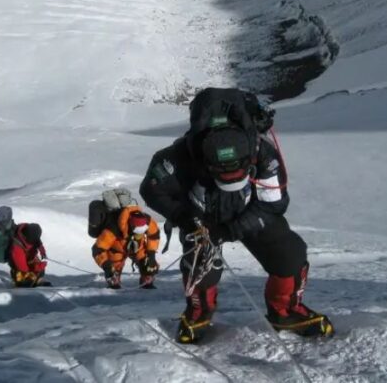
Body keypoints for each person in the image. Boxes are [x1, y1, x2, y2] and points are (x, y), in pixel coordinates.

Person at [139, 88, 333, 344]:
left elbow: (273, 203)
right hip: (200, 217)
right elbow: (152, 189)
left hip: (250, 211)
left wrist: (231, 230)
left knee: (290, 254)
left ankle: (285, 312)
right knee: (200, 269)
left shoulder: (263, 153)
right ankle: (198, 314)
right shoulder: (177, 158)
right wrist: (186, 218)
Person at [91, 207, 160, 289]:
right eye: (137, 232)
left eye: (142, 232)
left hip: (138, 247)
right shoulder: (113, 228)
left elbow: (154, 235)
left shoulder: (147, 221)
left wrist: (151, 255)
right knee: (113, 275)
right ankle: (114, 283)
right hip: (116, 250)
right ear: (131, 227)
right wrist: (106, 267)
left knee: (148, 264)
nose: (139, 235)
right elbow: (98, 249)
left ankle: (147, 280)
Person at [4, 214, 51, 288]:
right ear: (27, 238)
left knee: (39, 270)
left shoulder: (30, 233)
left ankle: (38, 281)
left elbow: (39, 243)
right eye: (33, 241)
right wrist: (38, 267)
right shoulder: (17, 248)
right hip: (19, 267)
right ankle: (21, 284)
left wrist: (43, 252)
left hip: (29, 259)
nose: (35, 242)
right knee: (26, 282)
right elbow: (23, 268)